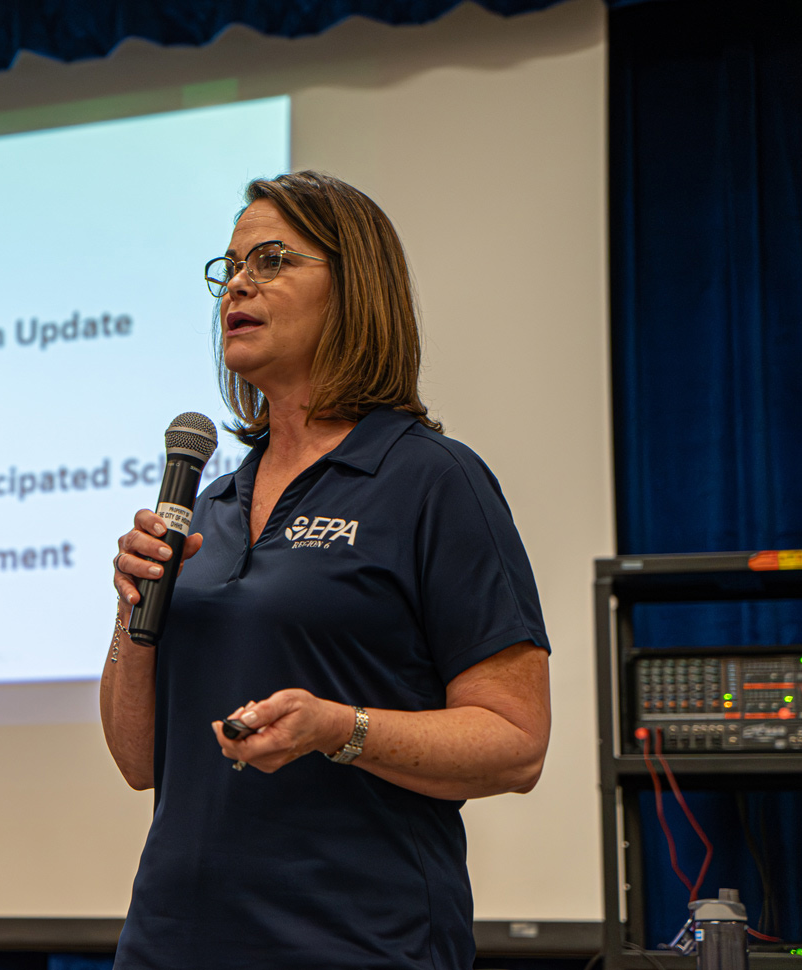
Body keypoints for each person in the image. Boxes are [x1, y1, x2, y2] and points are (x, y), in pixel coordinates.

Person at [101, 171, 551, 970]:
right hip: (172, 943)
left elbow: (514, 743)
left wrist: (340, 729)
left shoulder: (429, 480)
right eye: (229, 266)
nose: (237, 282)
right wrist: (128, 615)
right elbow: (141, 763)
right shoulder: (209, 504)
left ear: (355, 289)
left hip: (358, 944)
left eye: (271, 259)